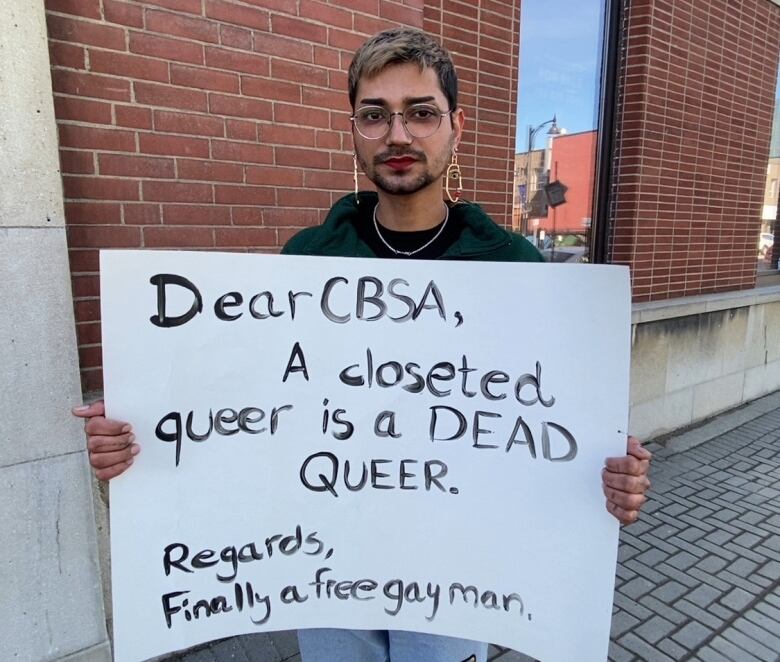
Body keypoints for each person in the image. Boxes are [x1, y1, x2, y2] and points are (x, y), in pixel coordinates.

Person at [74, 27, 652, 662]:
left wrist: (608, 477)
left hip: (458, 572)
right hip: (324, 563)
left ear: (454, 126)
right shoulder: (306, 261)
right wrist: (141, 441)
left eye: (420, 113)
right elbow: (242, 412)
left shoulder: (514, 268)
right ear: (354, 130)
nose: (398, 135)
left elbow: (547, 425)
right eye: (375, 115)